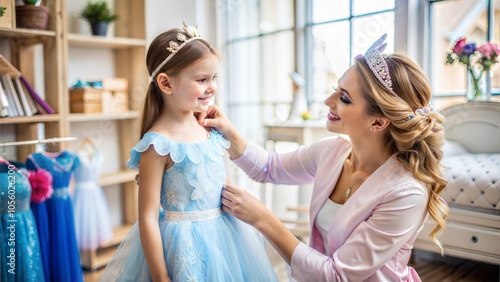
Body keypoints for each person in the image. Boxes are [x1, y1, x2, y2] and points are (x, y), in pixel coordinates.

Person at [199, 34, 449, 281]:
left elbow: (336, 275)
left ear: (378, 122)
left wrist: (263, 219)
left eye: (344, 98)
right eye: (335, 89)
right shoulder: (332, 151)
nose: (328, 101)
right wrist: (227, 130)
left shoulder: (406, 193)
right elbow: (268, 167)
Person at [100, 22, 278, 282]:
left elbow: (220, 184)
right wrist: (161, 276)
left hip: (226, 237)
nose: (212, 87)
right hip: (183, 248)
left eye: (213, 78)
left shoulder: (208, 128)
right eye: (201, 79)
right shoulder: (157, 145)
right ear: (166, 83)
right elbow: (148, 217)